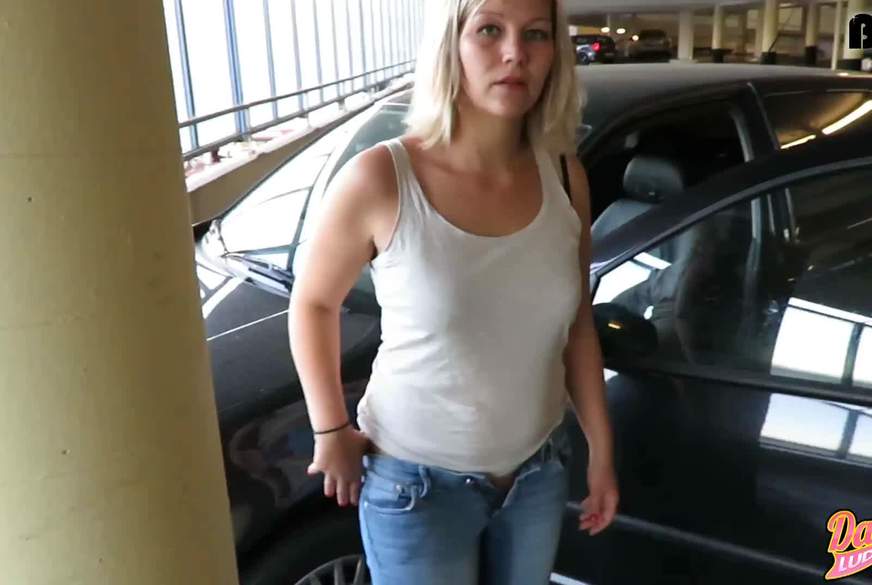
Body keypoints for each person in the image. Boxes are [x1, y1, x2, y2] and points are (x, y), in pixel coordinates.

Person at [288, 0, 619, 582]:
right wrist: (330, 428)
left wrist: (601, 451)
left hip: (537, 474)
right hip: (416, 487)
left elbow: (578, 326)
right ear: (451, 45)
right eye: (489, 29)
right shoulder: (383, 178)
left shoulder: (565, 176)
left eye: (536, 34)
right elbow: (313, 303)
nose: (515, 53)